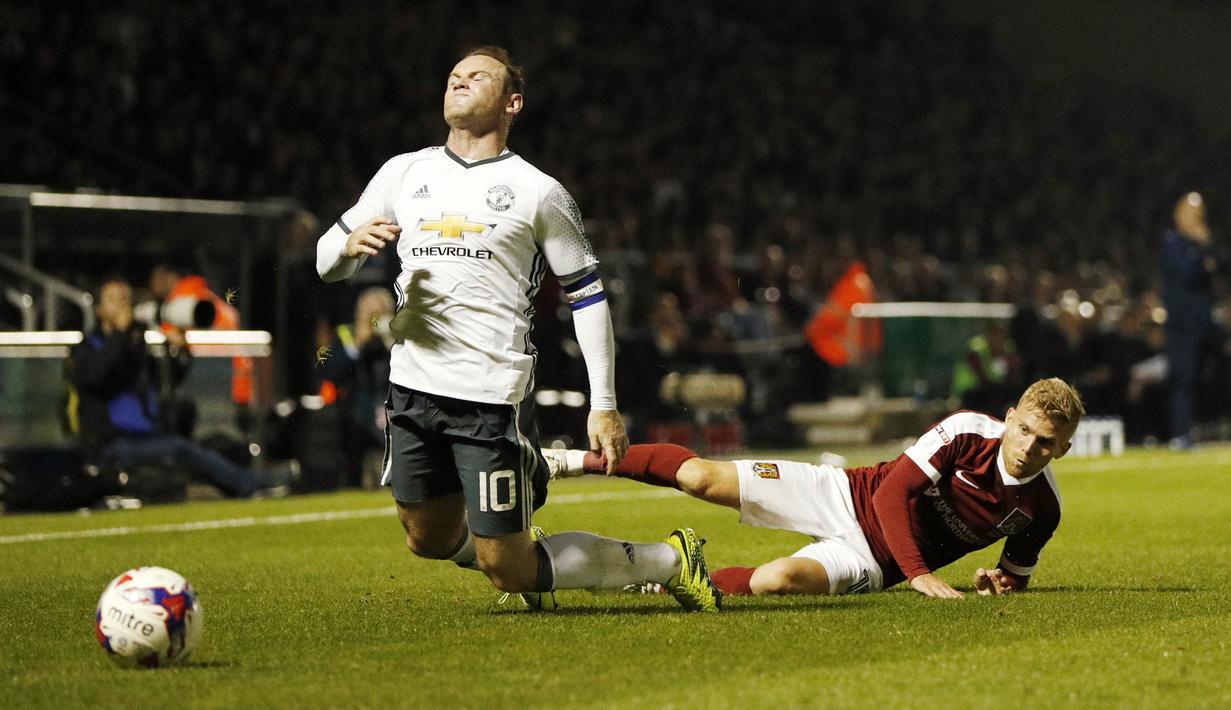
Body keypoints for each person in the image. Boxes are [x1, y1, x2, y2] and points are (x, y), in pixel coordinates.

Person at [315, 46, 719, 612]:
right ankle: (526, 511)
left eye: (477, 76)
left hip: (488, 396)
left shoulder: (538, 191)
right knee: (424, 537)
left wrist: (603, 402)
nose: (459, 80)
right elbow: (324, 259)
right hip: (409, 388)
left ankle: (670, 560)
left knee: (507, 568)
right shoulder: (404, 172)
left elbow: (588, 296)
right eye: (454, 74)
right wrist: (347, 248)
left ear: (512, 103)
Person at [545, 377, 1084, 599]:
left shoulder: (1044, 509)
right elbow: (891, 494)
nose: (1028, 447)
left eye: (1045, 443)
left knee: (775, 581)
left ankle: (655, 581)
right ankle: (566, 462)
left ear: (1061, 450)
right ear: (1009, 417)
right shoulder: (968, 432)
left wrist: (996, 582)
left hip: (876, 564)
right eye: (1025, 430)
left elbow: (1015, 574)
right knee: (699, 476)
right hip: (846, 492)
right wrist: (921, 575)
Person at [67, 278, 293, 499]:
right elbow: (96, 375)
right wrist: (120, 334)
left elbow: (165, 382)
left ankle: (245, 482)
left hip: (141, 436)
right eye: (114, 300)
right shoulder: (86, 347)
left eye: (126, 299)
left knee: (193, 445)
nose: (123, 306)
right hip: (109, 444)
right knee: (180, 448)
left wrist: (180, 353)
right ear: (99, 309)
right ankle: (248, 484)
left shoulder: (132, 345)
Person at [1160, 192, 1225, 449]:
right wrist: (1203, 257)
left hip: (1206, 323)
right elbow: (1190, 273)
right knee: (1183, 379)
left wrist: (1207, 248)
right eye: (1191, 214)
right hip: (1182, 326)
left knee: (1212, 377)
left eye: (1199, 215)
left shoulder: (1203, 243)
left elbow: (1223, 263)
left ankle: (1211, 426)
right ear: (1179, 215)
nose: (1196, 220)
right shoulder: (1172, 242)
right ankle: (1180, 434)